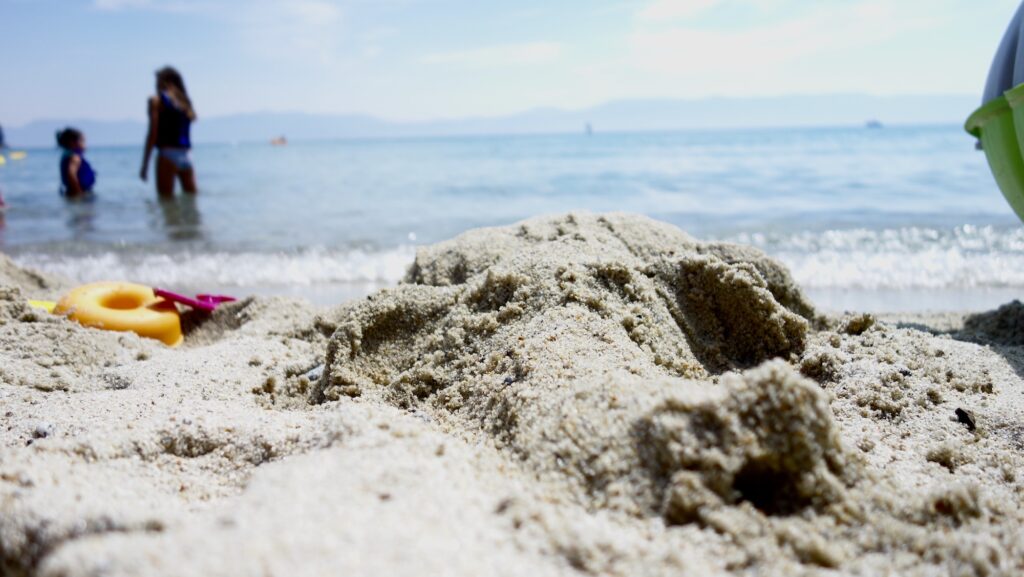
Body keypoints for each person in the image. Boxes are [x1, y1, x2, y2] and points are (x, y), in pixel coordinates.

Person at [140, 66, 197, 196]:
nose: (156, 85)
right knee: (192, 209)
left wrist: (145, 165)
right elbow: (193, 120)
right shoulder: (185, 103)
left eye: (158, 81)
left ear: (164, 82)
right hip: (187, 156)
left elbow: (152, 134)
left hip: (167, 155)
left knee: (167, 206)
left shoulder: (156, 101)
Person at [56, 127, 96, 198]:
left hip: (71, 192)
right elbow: (71, 174)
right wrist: (78, 192)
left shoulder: (67, 155)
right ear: (72, 142)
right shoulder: (75, 157)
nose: (85, 145)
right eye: (83, 141)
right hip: (77, 193)